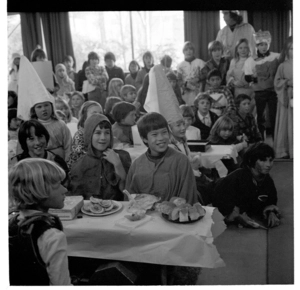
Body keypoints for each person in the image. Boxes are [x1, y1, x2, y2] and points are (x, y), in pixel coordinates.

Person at [9, 158, 72, 285]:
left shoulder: (12, 223)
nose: (64, 189)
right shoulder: (52, 236)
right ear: (39, 190)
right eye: (58, 185)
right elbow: (61, 284)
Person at [125, 112, 200, 205]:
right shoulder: (137, 164)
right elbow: (129, 197)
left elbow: (188, 197)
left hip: (173, 216)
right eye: (154, 134)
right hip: (143, 216)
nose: (161, 138)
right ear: (144, 138)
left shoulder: (181, 160)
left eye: (164, 132)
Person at [212, 143, 280, 229]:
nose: (268, 165)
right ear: (252, 160)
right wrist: (237, 216)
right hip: (207, 192)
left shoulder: (267, 180)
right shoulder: (237, 177)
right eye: (263, 160)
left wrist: (271, 212)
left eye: (270, 160)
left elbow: (271, 199)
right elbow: (218, 199)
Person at [69, 114, 131, 200]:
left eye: (107, 133)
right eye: (98, 133)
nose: (103, 138)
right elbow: (77, 198)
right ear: (89, 135)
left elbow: (127, 193)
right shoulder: (80, 165)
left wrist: (118, 164)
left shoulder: (123, 156)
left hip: (118, 210)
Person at [244, 30, 280, 140]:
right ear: (257, 46)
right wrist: (253, 77)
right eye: (261, 45)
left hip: (273, 92)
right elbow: (247, 77)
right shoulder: (251, 60)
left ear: (269, 44)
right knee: (261, 117)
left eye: (265, 44)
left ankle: (276, 141)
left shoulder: (276, 56)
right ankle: (261, 140)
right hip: (259, 92)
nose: (263, 47)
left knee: (274, 116)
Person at [10, 120, 69, 185]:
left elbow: (65, 186)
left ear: (46, 138)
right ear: (24, 142)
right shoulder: (16, 163)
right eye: (31, 139)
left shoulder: (57, 162)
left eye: (40, 136)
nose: (37, 142)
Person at [67, 101, 103, 170]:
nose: (98, 116)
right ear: (84, 116)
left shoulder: (101, 131)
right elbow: (80, 157)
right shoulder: (80, 134)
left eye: (100, 113)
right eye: (94, 113)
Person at [273, 36, 293, 159]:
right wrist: (287, 83)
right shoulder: (283, 66)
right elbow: (277, 82)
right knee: (288, 123)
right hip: (287, 97)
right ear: (287, 50)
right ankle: (286, 150)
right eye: (291, 49)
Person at [177, 41, 206, 106]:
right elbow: (179, 80)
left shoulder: (200, 62)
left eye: (191, 49)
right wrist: (185, 84)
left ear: (193, 51)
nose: (189, 51)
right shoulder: (180, 65)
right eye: (186, 50)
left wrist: (197, 79)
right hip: (186, 92)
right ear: (183, 52)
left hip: (198, 90)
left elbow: (205, 74)